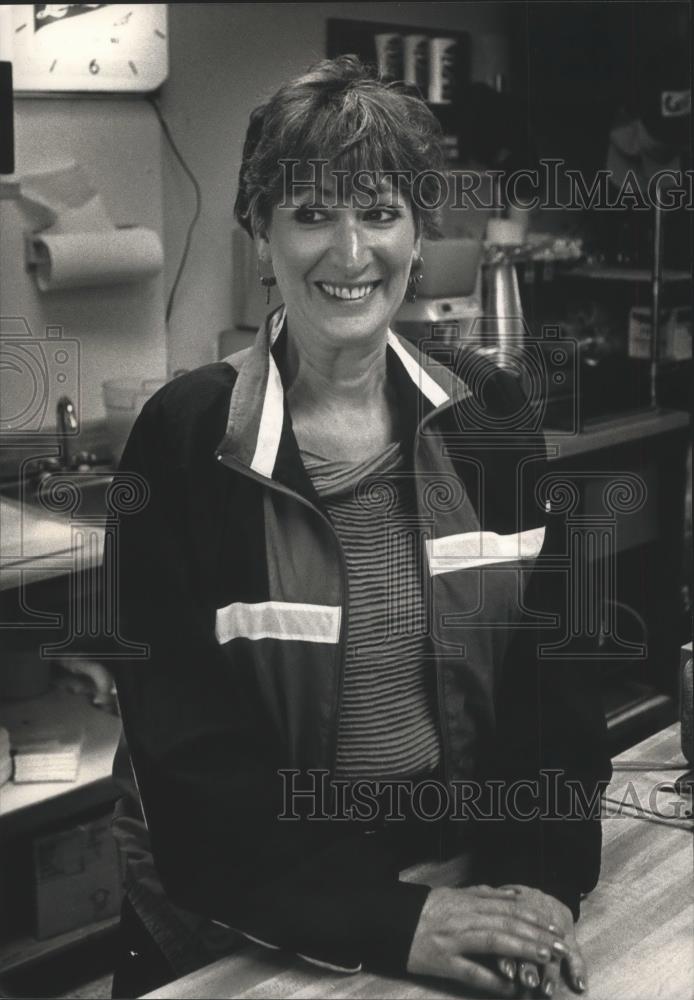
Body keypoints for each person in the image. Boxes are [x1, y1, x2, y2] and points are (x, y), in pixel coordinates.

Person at [110, 56, 612, 999]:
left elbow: (556, 692)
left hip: (449, 882)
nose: (352, 253)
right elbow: (187, 759)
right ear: (259, 232)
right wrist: (388, 921)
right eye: (311, 213)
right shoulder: (181, 444)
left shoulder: (494, 416)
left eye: (380, 212)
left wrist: (540, 880)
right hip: (227, 927)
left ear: (419, 233)